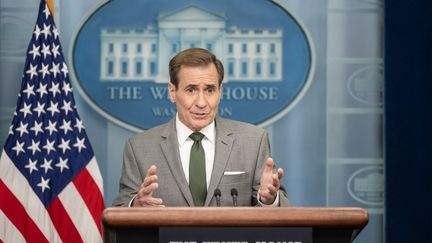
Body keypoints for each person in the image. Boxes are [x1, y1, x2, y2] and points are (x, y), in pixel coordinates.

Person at [112, 48, 289, 207]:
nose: (202, 103)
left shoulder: (253, 141)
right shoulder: (139, 147)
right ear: (172, 92)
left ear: (220, 91)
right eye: (191, 90)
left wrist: (269, 201)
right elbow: (120, 209)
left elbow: (280, 210)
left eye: (210, 90)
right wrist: (136, 205)